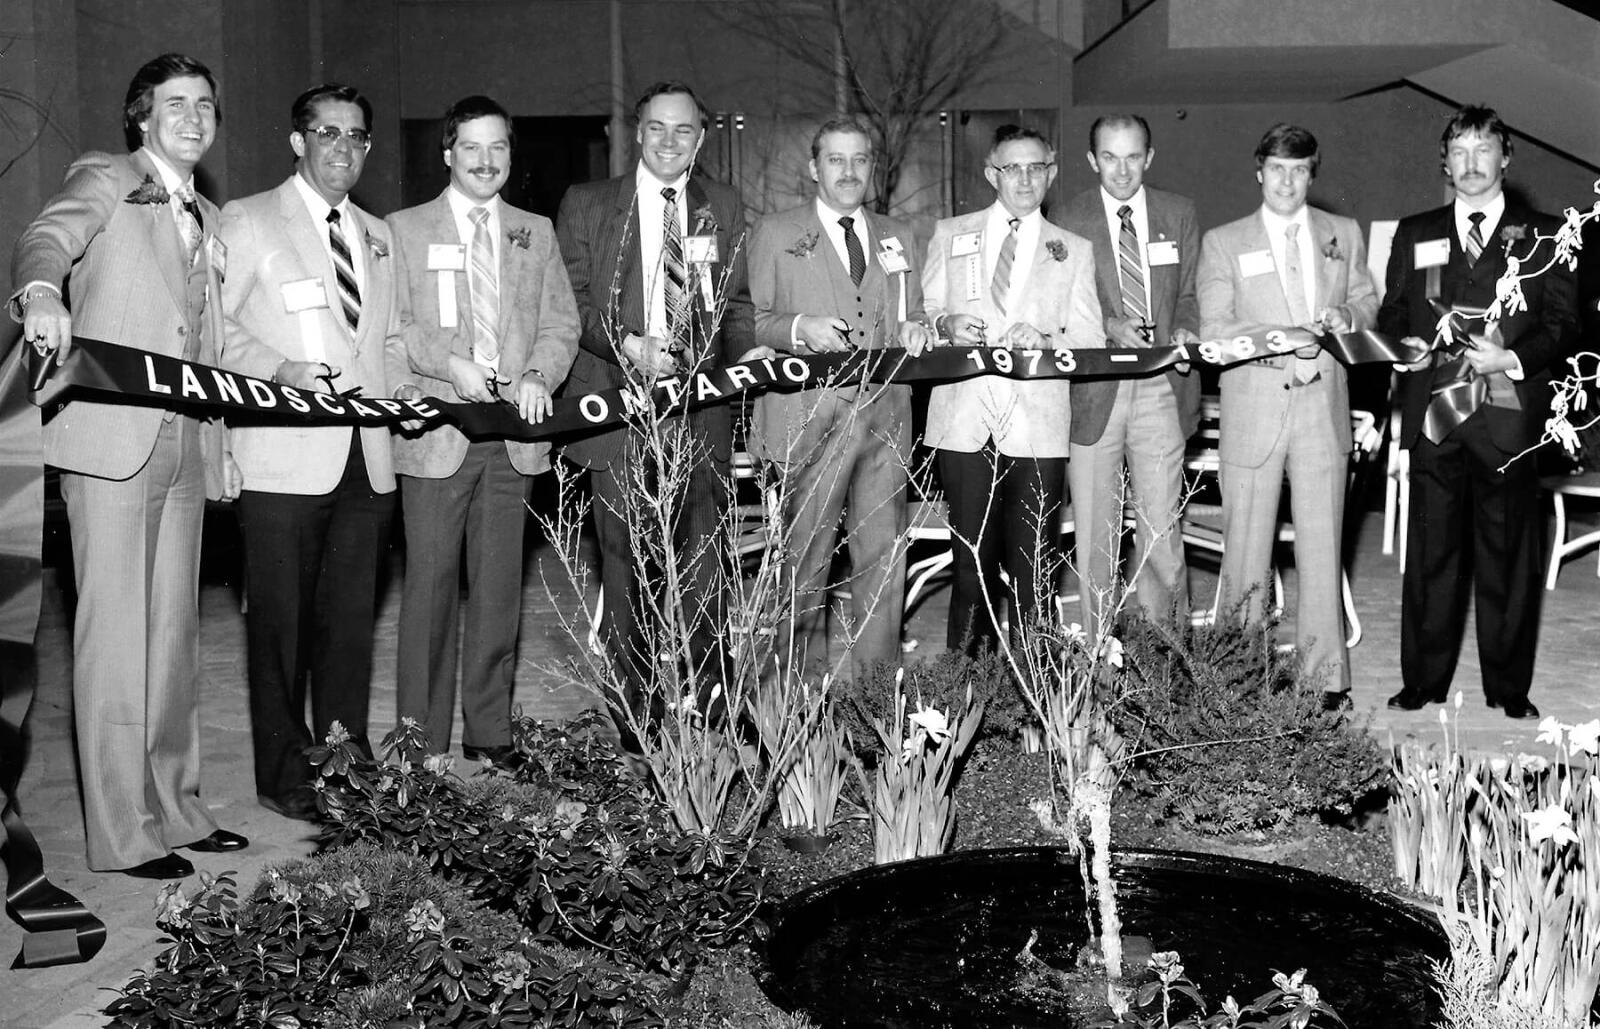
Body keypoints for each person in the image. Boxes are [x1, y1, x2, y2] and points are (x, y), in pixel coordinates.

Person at [8, 53, 245, 878]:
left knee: (173, 634)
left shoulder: (206, 215)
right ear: (141, 116)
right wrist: (41, 294)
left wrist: (224, 444)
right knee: (113, 637)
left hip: (184, 442)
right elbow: (46, 237)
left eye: (205, 105)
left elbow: (205, 343)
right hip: (110, 439)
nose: (193, 117)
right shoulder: (106, 177)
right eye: (175, 103)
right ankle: (121, 831)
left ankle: (176, 807)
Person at [217, 83, 410, 820]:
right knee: (278, 628)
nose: (343, 148)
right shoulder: (250, 219)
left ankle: (345, 763)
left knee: (348, 628)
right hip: (283, 456)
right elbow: (219, 331)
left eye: (357, 136)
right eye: (327, 133)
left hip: (368, 458)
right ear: (298, 142)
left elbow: (384, 342)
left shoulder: (378, 232)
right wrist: (280, 372)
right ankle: (284, 773)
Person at [554, 81, 756, 732]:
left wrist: (738, 367)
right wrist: (626, 343)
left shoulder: (721, 204)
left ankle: (705, 712)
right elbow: (571, 303)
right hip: (618, 411)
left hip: (700, 418)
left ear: (701, 139)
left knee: (702, 570)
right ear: (637, 133)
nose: (671, 141)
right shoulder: (588, 204)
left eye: (685, 131)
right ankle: (636, 719)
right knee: (626, 575)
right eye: (658, 129)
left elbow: (738, 304)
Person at [386, 96, 579, 763]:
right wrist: (448, 363)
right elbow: (398, 326)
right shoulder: (403, 229)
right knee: (431, 591)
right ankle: (421, 738)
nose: (485, 160)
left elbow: (562, 325)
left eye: (497, 147)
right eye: (471, 147)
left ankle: (490, 730)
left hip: (515, 439)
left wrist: (537, 374)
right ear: (447, 153)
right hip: (439, 434)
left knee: (499, 590)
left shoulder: (535, 231)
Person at [1380, 105, 1577, 719]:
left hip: (1508, 418)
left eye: (1482, 150)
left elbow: (1564, 327)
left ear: (1505, 158)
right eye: (1459, 152)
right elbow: (1393, 312)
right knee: (1431, 556)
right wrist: (1402, 345)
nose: (1471, 164)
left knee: (1509, 559)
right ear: (1445, 161)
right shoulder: (1415, 230)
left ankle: (1508, 689)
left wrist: (1511, 358)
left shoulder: (1546, 233)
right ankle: (1424, 681)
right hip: (1436, 414)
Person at [1197, 123, 1377, 709]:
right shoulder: (1225, 241)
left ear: (1311, 173)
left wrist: (1346, 317)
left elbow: (1369, 303)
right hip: (1254, 405)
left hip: (1323, 404)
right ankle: (1238, 676)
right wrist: (1285, 337)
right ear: (1259, 171)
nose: (1287, 180)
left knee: (1323, 547)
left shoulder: (1341, 233)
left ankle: (1326, 679)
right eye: (1277, 168)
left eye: (1299, 170)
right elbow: (1216, 332)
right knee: (1246, 547)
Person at [747, 117, 933, 679]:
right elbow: (747, 319)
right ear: (813, 168)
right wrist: (799, 326)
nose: (849, 171)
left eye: (859, 160)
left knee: (883, 563)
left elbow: (913, 310)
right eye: (836, 159)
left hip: (886, 421)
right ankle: (790, 700)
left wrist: (918, 328)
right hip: (809, 419)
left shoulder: (899, 235)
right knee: (804, 563)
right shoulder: (775, 232)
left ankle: (872, 696)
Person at [921, 124, 1102, 654]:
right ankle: (965, 700)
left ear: (1050, 172)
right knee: (970, 574)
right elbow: (924, 312)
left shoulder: (1073, 249)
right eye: (1011, 168)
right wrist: (944, 325)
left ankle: (1036, 706)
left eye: (1036, 167)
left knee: (1034, 576)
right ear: (990, 173)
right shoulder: (950, 234)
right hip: (964, 422)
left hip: (1038, 429)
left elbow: (1089, 338)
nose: (1024, 179)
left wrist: (1045, 337)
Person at [1060, 114, 1200, 632]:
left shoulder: (1178, 212)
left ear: (1150, 157)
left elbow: (1189, 295)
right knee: (1096, 537)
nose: (1123, 170)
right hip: (1095, 391)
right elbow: (1062, 304)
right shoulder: (1067, 217)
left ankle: (1164, 657)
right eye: (1111, 158)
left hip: (1162, 386)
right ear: (1093, 160)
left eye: (1133, 157)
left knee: (1161, 532)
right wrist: (1109, 325)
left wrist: (1186, 330)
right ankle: (1100, 659)